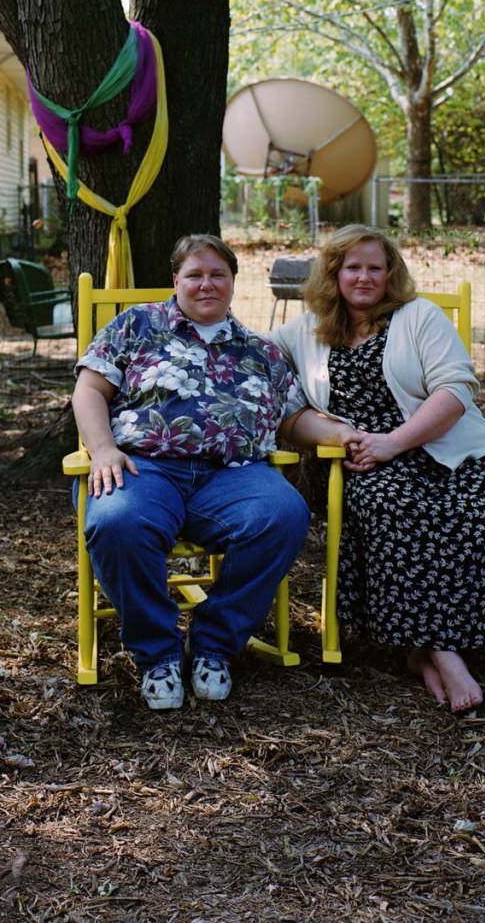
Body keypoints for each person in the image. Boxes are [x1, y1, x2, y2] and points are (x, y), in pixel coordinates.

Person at [273, 225, 485, 714]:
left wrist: (392, 443)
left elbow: (456, 390)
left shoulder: (420, 316)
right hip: (364, 460)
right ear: (332, 274)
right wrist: (341, 437)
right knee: (392, 505)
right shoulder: (303, 331)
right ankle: (447, 653)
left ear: (390, 273)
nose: (364, 277)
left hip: (446, 447)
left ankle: (424, 650)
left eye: (375, 268)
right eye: (352, 267)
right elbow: (262, 376)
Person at [73, 234, 311, 711]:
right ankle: (157, 653)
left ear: (233, 283)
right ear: (175, 280)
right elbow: (88, 390)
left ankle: (214, 645)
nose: (207, 284)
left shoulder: (260, 350)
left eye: (217, 275)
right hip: (144, 468)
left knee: (284, 515)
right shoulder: (137, 325)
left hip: (234, 476)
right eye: (195, 275)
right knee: (117, 522)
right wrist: (101, 449)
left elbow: (293, 419)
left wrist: (357, 438)